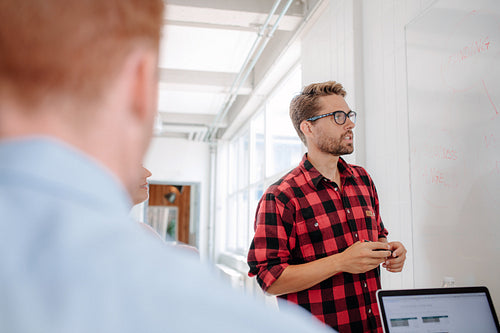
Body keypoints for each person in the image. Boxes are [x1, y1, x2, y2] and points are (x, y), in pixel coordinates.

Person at [0, 2, 335, 332]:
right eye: (337, 116)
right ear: (138, 85)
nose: (347, 124)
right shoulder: (219, 316)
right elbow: (270, 274)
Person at [247, 81, 407, 333]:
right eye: (338, 117)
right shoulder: (281, 196)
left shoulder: (362, 179)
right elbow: (269, 279)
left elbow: (378, 235)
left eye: (349, 115)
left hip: (374, 326)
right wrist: (340, 262)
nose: (350, 124)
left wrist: (390, 252)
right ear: (308, 127)